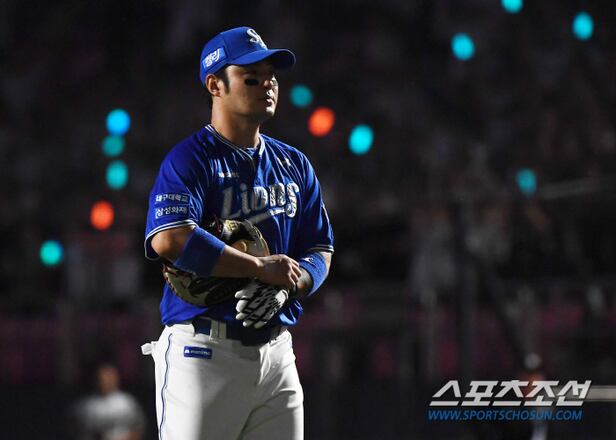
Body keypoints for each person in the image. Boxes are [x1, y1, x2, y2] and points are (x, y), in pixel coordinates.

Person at [141, 26, 334, 440]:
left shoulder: (294, 164)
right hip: (204, 351)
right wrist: (259, 269)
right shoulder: (190, 159)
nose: (268, 84)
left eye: (271, 76)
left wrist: (291, 284)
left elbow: (320, 248)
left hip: (277, 352)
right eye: (251, 77)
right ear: (215, 85)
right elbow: (169, 238)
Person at [71, 363, 145, 440]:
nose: (105, 381)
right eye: (102, 378)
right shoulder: (85, 406)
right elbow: (73, 429)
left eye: (109, 377)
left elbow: (138, 428)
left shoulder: (128, 402)